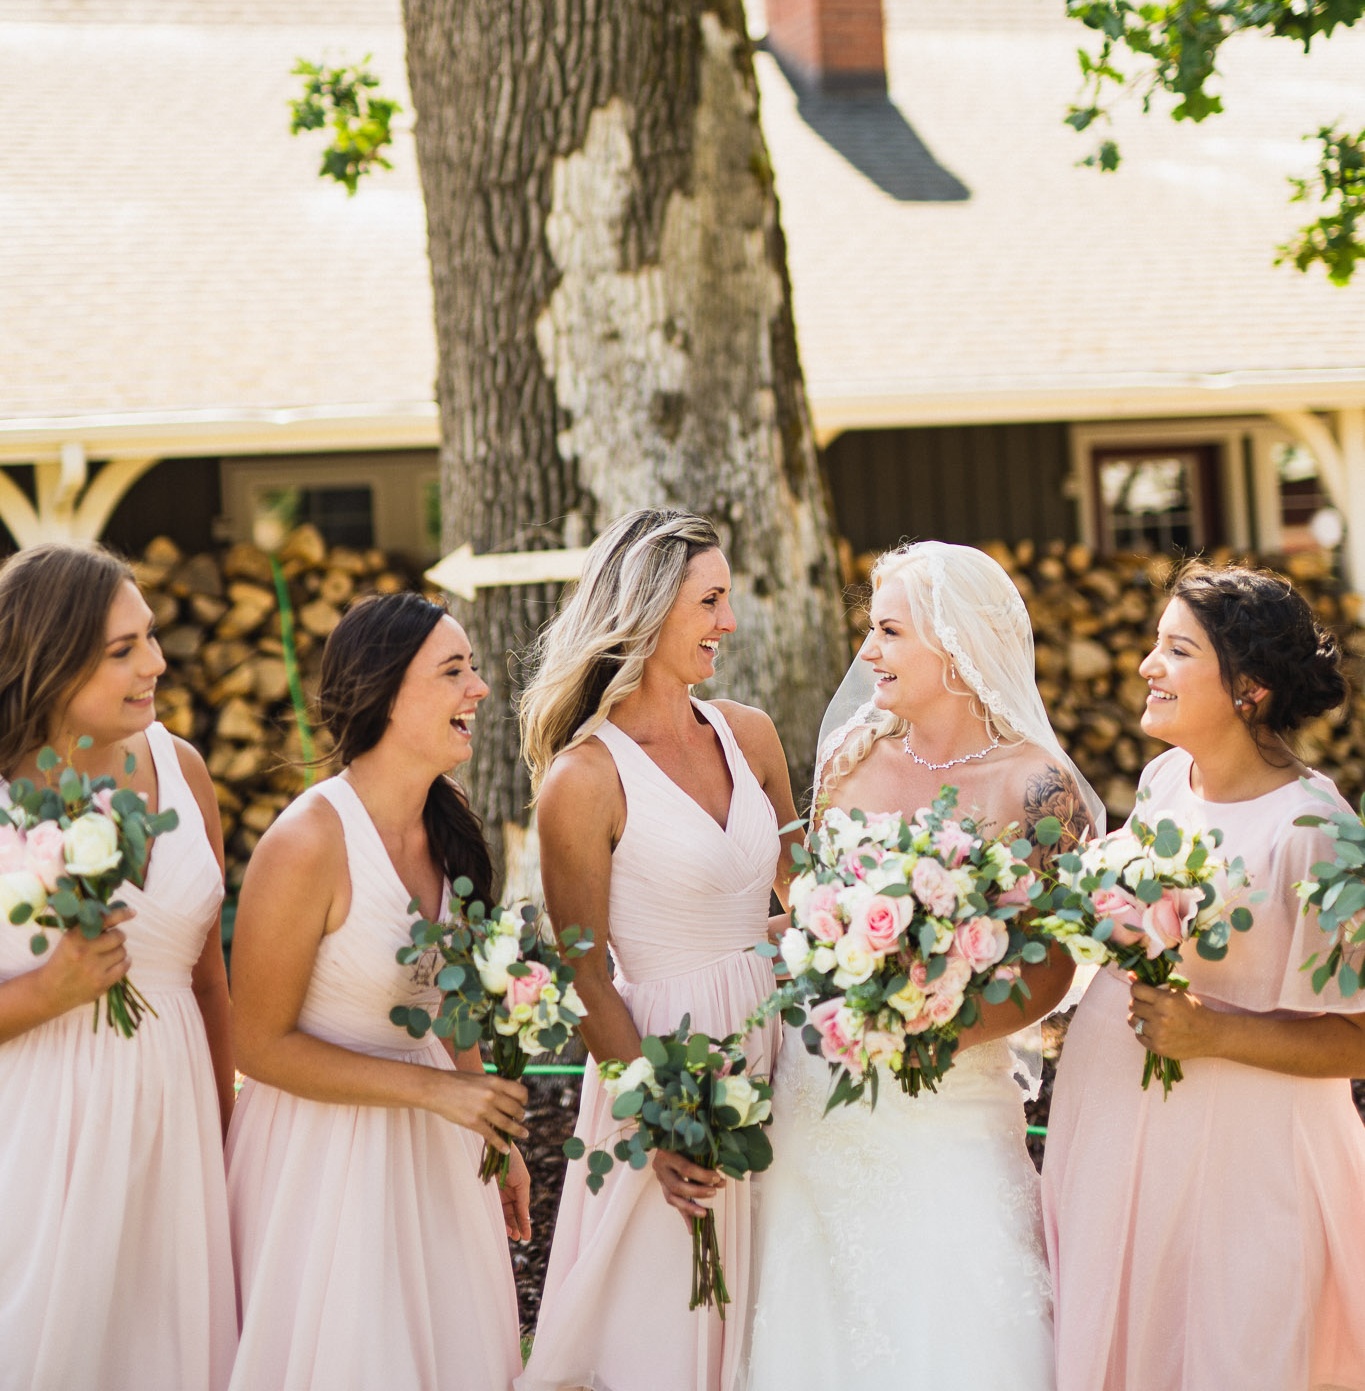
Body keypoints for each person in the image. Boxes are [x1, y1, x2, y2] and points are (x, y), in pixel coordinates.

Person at [741, 540, 1095, 1391]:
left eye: (890, 632)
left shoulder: (1036, 788)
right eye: (872, 630)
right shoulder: (849, 757)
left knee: (963, 1311)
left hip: (953, 1091)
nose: (868, 651)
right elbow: (818, 910)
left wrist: (932, 1028)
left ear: (958, 644)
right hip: (822, 1088)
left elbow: (1051, 968)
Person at [1043, 563, 1365, 1391]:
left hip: (1243, 1163)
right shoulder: (1162, 781)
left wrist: (1214, 1031)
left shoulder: (1313, 832)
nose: (1145, 665)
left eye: (1176, 650)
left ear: (1249, 689)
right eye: (1154, 643)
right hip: (1123, 1133)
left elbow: (1359, 1039)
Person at [517, 509, 799, 1391]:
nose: (729, 621)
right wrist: (656, 1121)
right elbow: (582, 972)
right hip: (664, 1057)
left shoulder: (749, 734)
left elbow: (810, 900)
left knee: (780, 1310)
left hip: (779, 1045)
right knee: (668, 1316)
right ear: (645, 607)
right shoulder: (584, 777)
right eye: (709, 601)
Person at [226, 590, 526, 1391]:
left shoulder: (451, 827)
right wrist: (438, 1092)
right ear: (387, 693)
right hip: (321, 1162)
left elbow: (452, 998)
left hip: (435, 1148)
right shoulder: (306, 842)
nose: (479, 689)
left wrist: (491, 1130)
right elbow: (258, 1046)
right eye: (454, 671)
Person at [0, 540, 236, 1391]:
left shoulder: (184, 769)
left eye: (153, 637)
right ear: (51, 663)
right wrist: (47, 991)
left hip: (177, 1125)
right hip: (36, 1133)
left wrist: (227, 1132)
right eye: (123, 649)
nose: (156, 663)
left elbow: (209, 981)